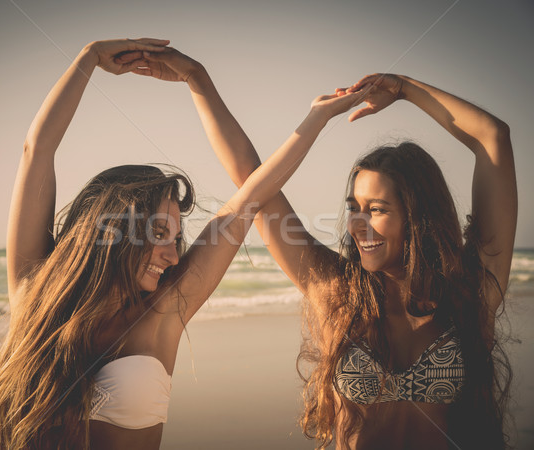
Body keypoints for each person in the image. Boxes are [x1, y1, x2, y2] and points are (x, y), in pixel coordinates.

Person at [0, 38, 371, 450]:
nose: (174, 254)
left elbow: (252, 195)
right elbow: (36, 151)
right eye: (159, 234)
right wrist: (87, 59)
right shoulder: (34, 293)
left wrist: (315, 119)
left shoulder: (165, 309)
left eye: (176, 237)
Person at [138, 49, 517, 449]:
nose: (358, 224)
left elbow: (493, 138)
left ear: (418, 217)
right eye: (353, 208)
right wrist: (198, 81)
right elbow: (250, 173)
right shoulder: (336, 290)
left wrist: (405, 89)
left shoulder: (471, 290)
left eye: (377, 210)